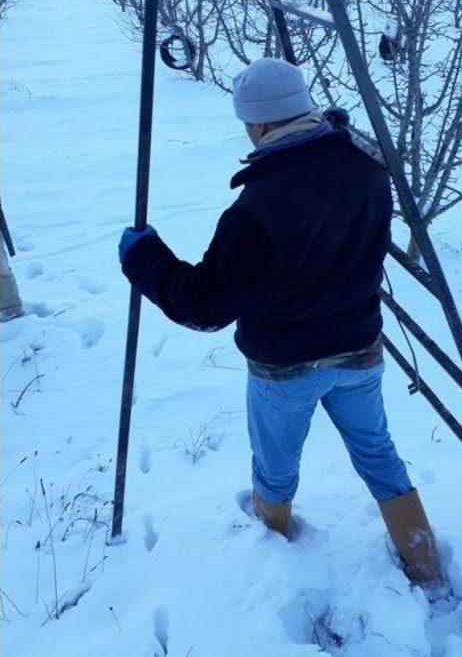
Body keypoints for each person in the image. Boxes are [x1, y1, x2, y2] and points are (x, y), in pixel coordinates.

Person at [119, 57, 442, 586]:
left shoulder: (258, 208)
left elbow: (206, 306)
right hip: (359, 349)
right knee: (378, 452)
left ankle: (272, 555)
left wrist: (144, 259)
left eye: (248, 122)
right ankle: (425, 563)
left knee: (275, 466)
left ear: (263, 124)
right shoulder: (368, 167)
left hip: (285, 365)